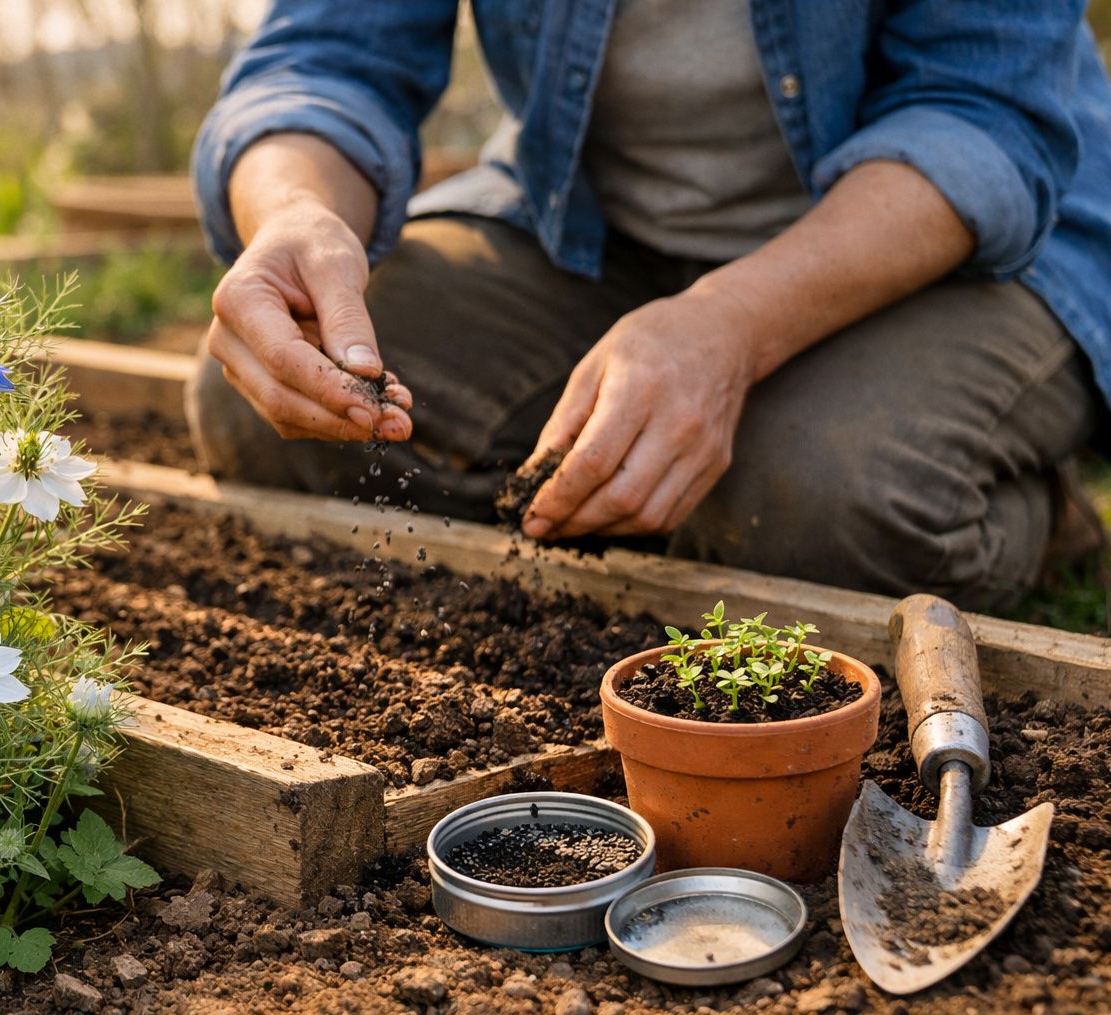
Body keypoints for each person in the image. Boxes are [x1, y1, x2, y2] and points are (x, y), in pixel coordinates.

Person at [186, 1, 1111, 611]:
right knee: (264, 401)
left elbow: (983, 111)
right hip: (598, 227)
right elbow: (326, 55)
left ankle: (1023, 509)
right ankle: (674, 479)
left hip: (948, 245)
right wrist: (297, 211)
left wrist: (729, 329)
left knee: (801, 513)